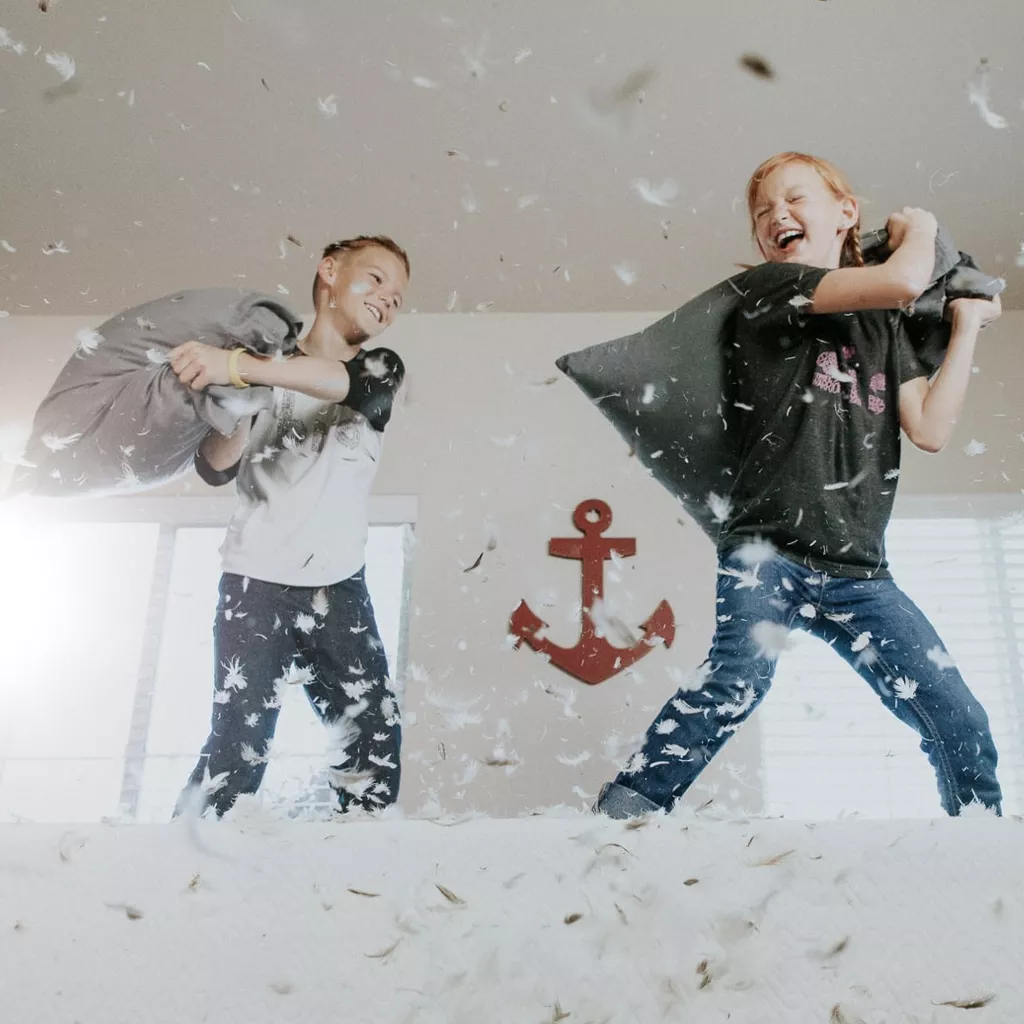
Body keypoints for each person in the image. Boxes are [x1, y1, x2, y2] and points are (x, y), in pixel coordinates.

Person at [596, 152, 1003, 819]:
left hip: (860, 570)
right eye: (762, 213)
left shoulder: (886, 328)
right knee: (736, 681)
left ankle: (986, 842)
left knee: (957, 717)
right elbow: (903, 278)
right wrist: (921, 227)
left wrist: (963, 327)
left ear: (845, 213)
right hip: (768, 552)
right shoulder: (772, 288)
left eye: (794, 200)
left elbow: (930, 427)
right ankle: (617, 821)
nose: (776, 216)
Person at [173, 235, 409, 818]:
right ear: (329, 270)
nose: (388, 298)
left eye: (399, 296)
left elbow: (350, 388)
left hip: (339, 589)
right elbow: (214, 466)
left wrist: (239, 365)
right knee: (238, 752)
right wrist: (241, 392)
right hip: (254, 586)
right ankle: (178, 869)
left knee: (374, 750)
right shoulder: (261, 364)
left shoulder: (378, 367)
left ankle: (352, 874)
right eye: (376, 279)